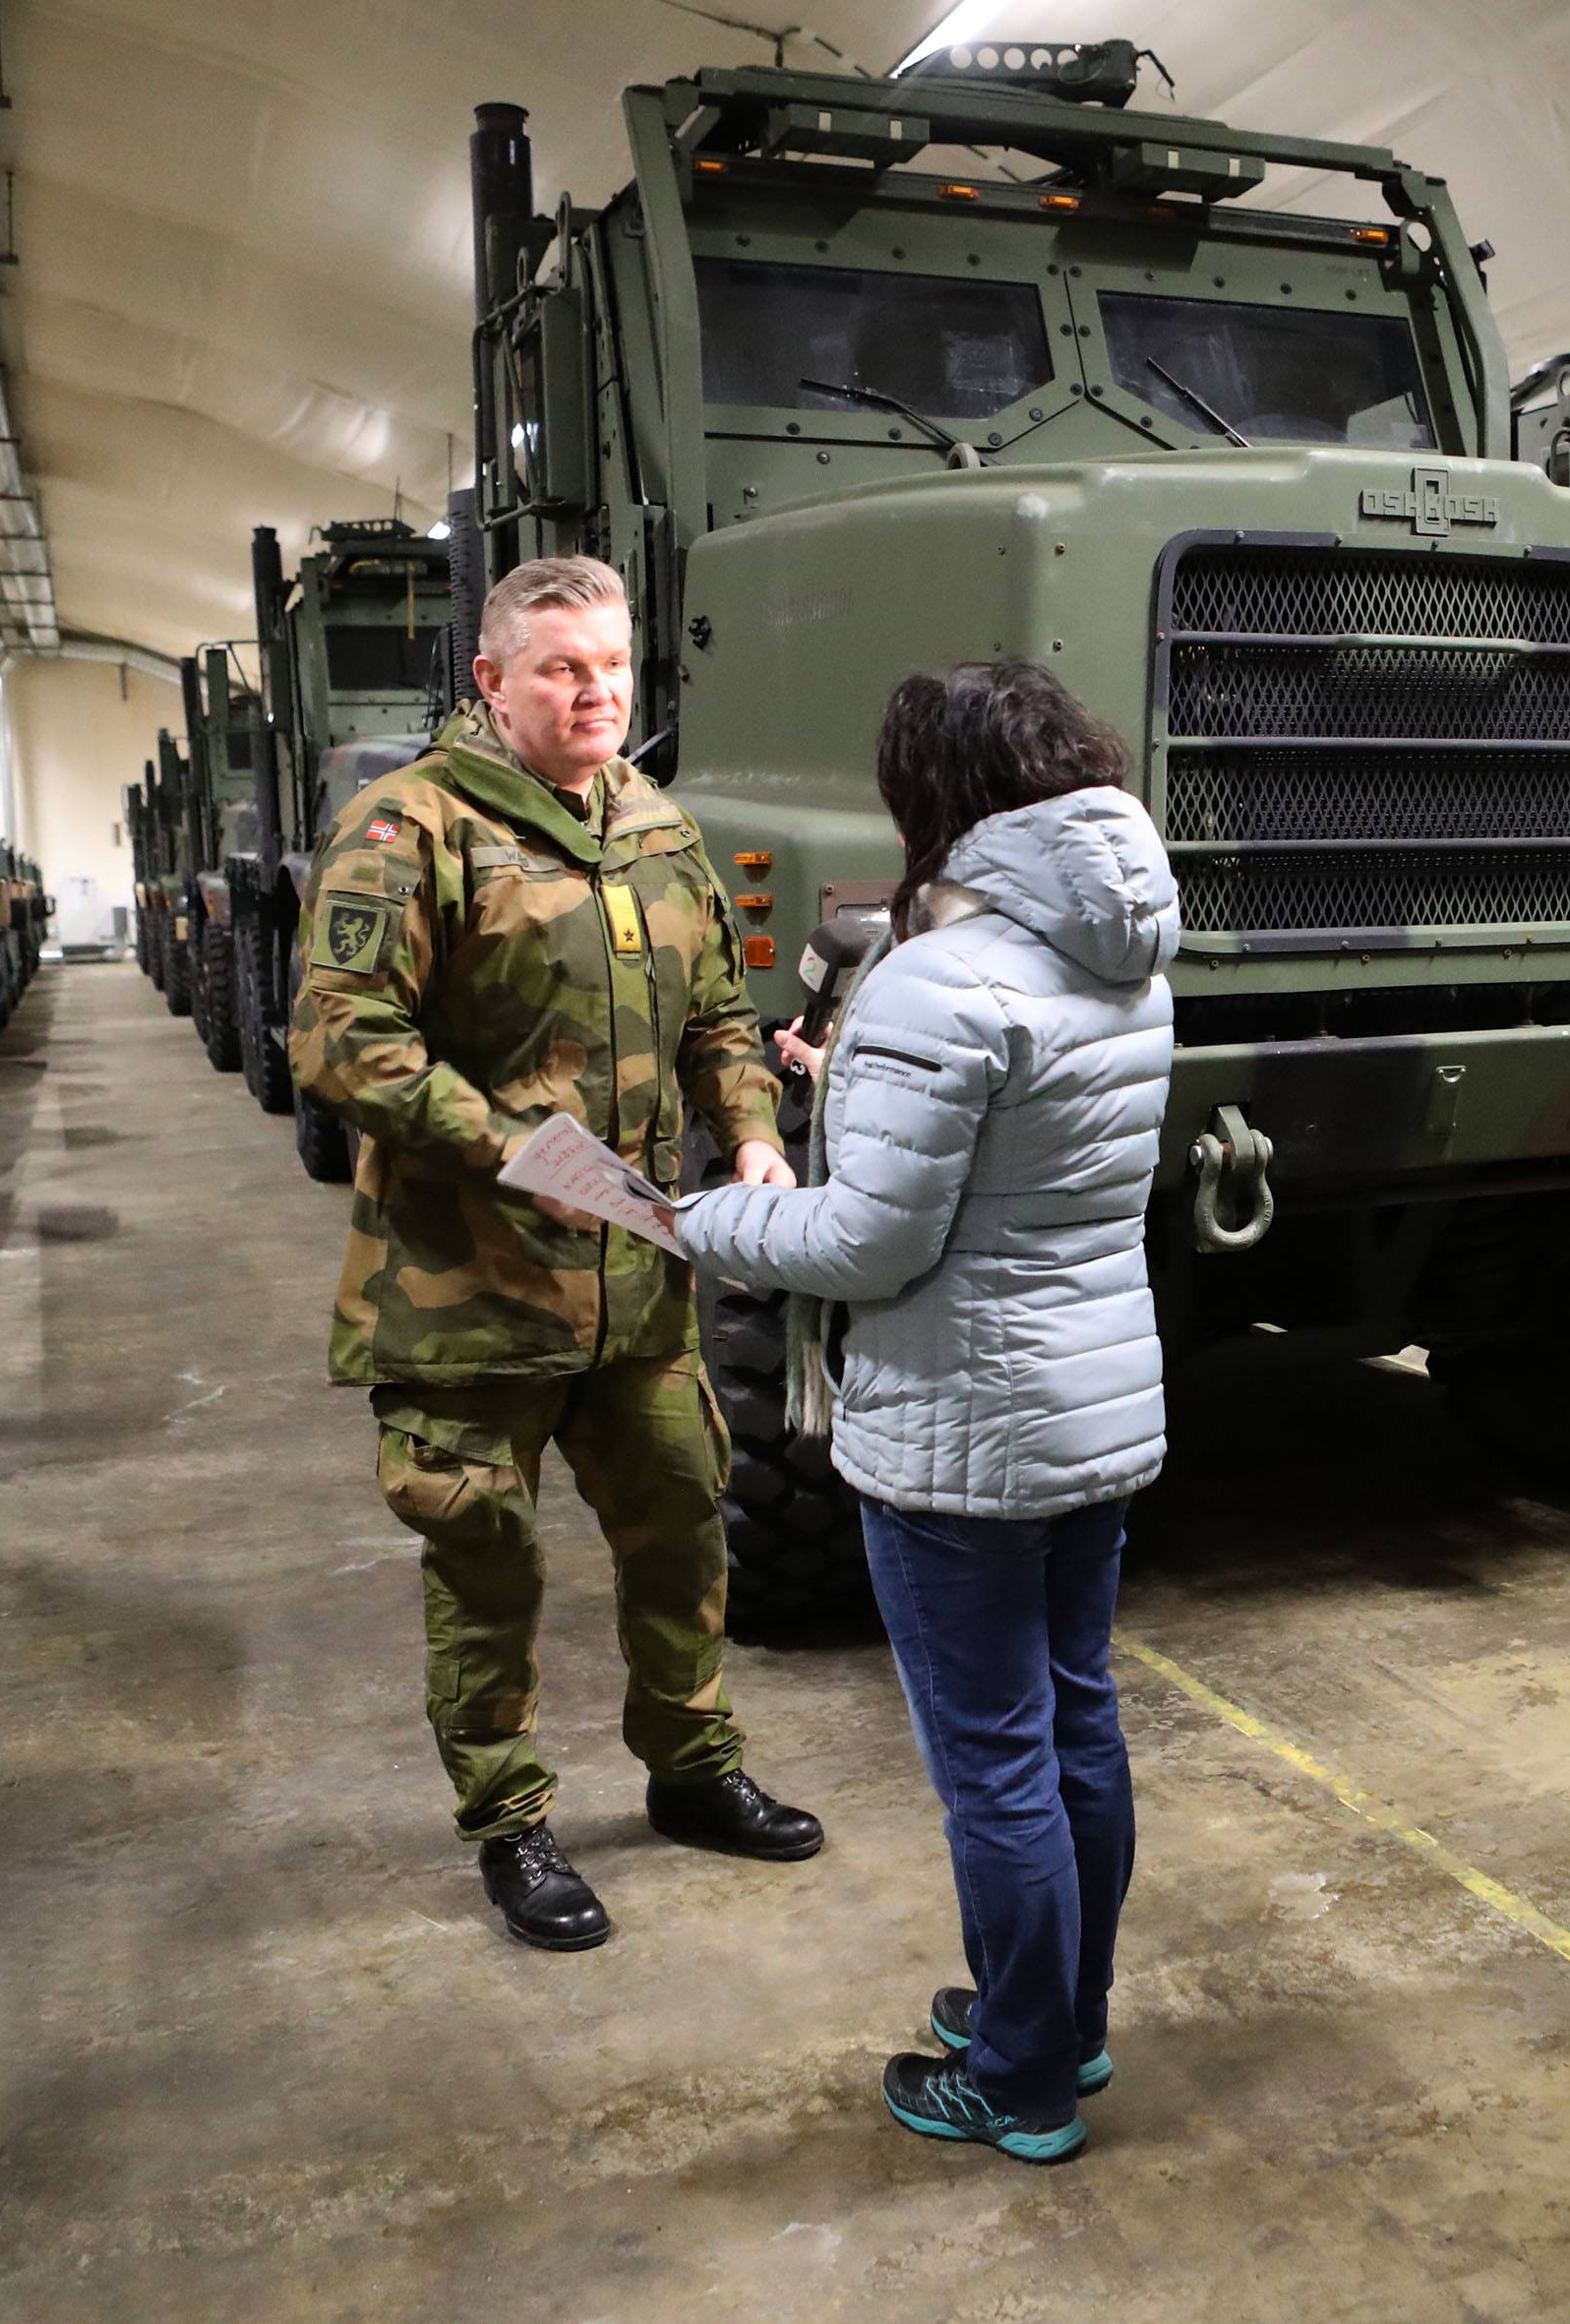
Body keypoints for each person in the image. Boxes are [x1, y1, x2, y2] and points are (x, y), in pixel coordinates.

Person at [681, 661, 1178, 2167]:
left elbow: (863, 1245)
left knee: (994, 1759)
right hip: (1093, 1411)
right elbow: (1031, 1143)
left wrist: (694, 1216)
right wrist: (859, 1081)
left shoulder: (933, 978)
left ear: (937, 800)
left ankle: (1019, 2078)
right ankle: (1065, 2018)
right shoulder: (1122, 952)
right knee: (1073, 1719)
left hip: (962, 1434)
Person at [291, 554, 824, 1953]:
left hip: (636, 1284)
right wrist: (506, 1139)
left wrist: (753, 1129)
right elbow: (340, 1037)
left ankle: (693, 1770)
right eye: (563, 669)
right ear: (491, 681)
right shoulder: (409, 829)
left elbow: (718, 1006)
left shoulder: (654, 821)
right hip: (469, 1290)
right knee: (487, 1563)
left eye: (614, 667)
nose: (597, 693)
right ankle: (512, 1823)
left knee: (682, 1523)